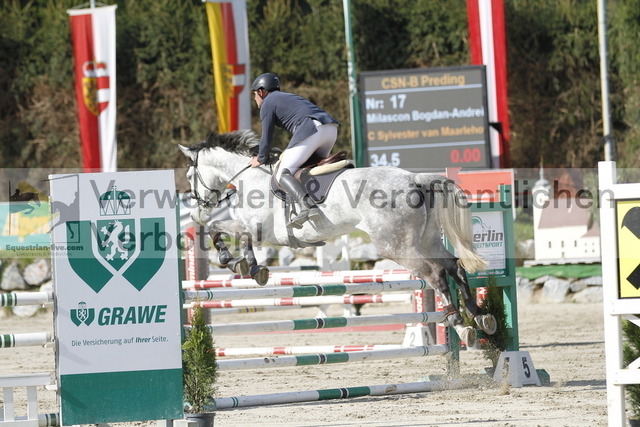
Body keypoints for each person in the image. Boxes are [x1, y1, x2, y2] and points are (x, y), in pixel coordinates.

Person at [249, 73, 340, 229]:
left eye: (255, 94)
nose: (255, 98)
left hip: (312, 129)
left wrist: (260, 158)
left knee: (282, 173)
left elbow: (267, 135)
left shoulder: (267, 102)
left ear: (261, 91)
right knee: (310, 170)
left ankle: (307, 207)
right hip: (330, 129)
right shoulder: (284, 97)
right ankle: (326, 204)